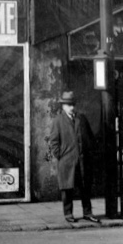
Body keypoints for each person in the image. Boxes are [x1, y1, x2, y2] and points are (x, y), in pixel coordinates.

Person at [46, 91, 98, 224]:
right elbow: (53, 142)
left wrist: (89, 154)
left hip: (82, 161)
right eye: (68, 105)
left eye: (73, 104)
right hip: (67, 161)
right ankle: (68, 214)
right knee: (67, 189)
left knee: (85, 188)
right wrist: (61, 156)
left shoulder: (82, 118)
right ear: (63, 106)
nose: (72, 107)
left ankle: (88, 213)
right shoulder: (58, 121)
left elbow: (90, 138)